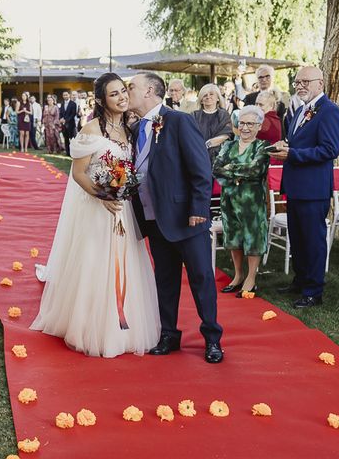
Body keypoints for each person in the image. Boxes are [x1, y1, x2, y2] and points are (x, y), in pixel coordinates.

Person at [30, 72, 161, 358]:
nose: (122, 97)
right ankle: (90, 326)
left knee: (127, 263)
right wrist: (104, 197)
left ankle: (124, 323)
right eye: (114, 94)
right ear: (101, 100)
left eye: (123, 91)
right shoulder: (90, 130)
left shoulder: (133, 128)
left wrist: (120, 194)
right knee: (95, 262)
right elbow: (78, 173)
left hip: (124, 210)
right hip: (98, 208)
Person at [127, 72, 224, 363]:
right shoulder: (136, 129)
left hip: (186, 217)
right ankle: (168, 334)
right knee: (164, 280)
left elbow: (200, 168)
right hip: (154, 219)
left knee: (201, 278)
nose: (126, 91)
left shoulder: (179, 121)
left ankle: (212, 339)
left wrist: (198, 209)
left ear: (150, 91)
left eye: (132, 87)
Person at [268, 66, 339, 308]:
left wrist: (292, 153)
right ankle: (300, 281)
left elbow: (330, 150)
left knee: (312, 240)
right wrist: (285, 145)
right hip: (295, 186)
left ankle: (313, 291)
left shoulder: (329, 111)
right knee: (298, 238)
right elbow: (298, 142)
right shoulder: (301, 110)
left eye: (305, 82)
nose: (299, 86)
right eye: (297, 82)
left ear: (320, 83)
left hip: (313, 189)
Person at [213, 106, 270, 297]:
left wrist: (231, 168)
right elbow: (216, 168)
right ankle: (238, 276)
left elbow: (255, 171)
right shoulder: (228, 145)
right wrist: (238, 172)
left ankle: (251, 278)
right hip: (229, 200)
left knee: (252, 237)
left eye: (250, 124)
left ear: (259, 126)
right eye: (242, 123)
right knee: (234, 238)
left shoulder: (262, 146)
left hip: (251, 202)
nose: (245, 128)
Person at [192, 83, 233, 164]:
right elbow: (190, 135)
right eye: (205, 95)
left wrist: (207, 144)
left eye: (211, 94)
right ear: (201, 99)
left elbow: (226, 135)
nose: (208, 97)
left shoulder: (223, 114)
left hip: (219, 158)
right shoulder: (194, 115)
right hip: (197, 157)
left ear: (218, 98)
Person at [59, 90, 78, 155]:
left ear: (69, 95)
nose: (65, 96)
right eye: (64, 95)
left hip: (71, 124)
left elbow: (73, 114)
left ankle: (73, 152)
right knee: (66, 139)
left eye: (66, 95)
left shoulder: (73, 104)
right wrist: (61, 118)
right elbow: (61, 112)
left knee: (72, 139)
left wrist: (66, 120)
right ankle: (67, 152)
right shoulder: (62, 103)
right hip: (64, 125)